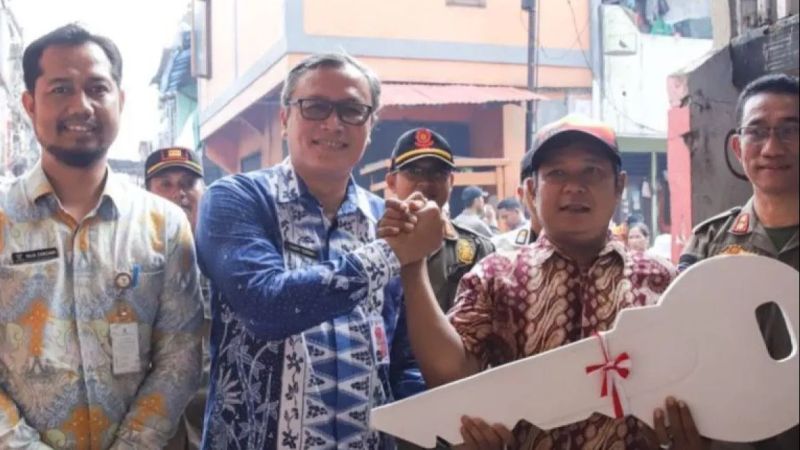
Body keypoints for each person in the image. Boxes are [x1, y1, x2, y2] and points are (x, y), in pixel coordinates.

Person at [195, 53, 442, 449]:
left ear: (371, 125)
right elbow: (266, 306)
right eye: (314, 107)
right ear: (284, 118)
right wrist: (392, 253)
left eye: (352, 110)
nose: (333, 123)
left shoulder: (387, 219)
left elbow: (400, 360)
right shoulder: (237, 199)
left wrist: (438, 421)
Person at [394, 114, 677, 449]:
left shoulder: (663, 282)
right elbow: (450, 375)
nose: (574, 186)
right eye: (557, 173)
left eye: (592, 171)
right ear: (531, 190)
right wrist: (413, 265)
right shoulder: (495, 277)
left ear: (619, 185)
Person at [0, 24, 202, 448]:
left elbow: (180, 357)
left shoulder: (164, 225)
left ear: (120, 100)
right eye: (60, 89)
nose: (81, 105)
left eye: (97, 89)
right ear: (29, 104)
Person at [677, 73, 799, 450]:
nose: (772, 148)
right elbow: (682, 347)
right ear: (737, 146)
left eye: (790, 130)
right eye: (757, 132)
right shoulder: (708, 243)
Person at [384, 127, 494, 314]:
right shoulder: (374, 243)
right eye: (414, 171)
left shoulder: (478, 249)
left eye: (438, 173)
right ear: (391, 182)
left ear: (451, 181)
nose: (426, 182)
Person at [144, 146, 209, 450]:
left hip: (212, 419)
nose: (178, 193)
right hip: (154, 426)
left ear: (202, 190)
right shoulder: (132, 263)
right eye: (165, 184)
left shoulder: (225, 259)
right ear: (147, 194)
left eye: (187, 184)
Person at [491, 151, 542, 252]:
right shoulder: (500, 247)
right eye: (557, 174)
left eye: (505, 216)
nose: (571, 189)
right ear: (526, 193)